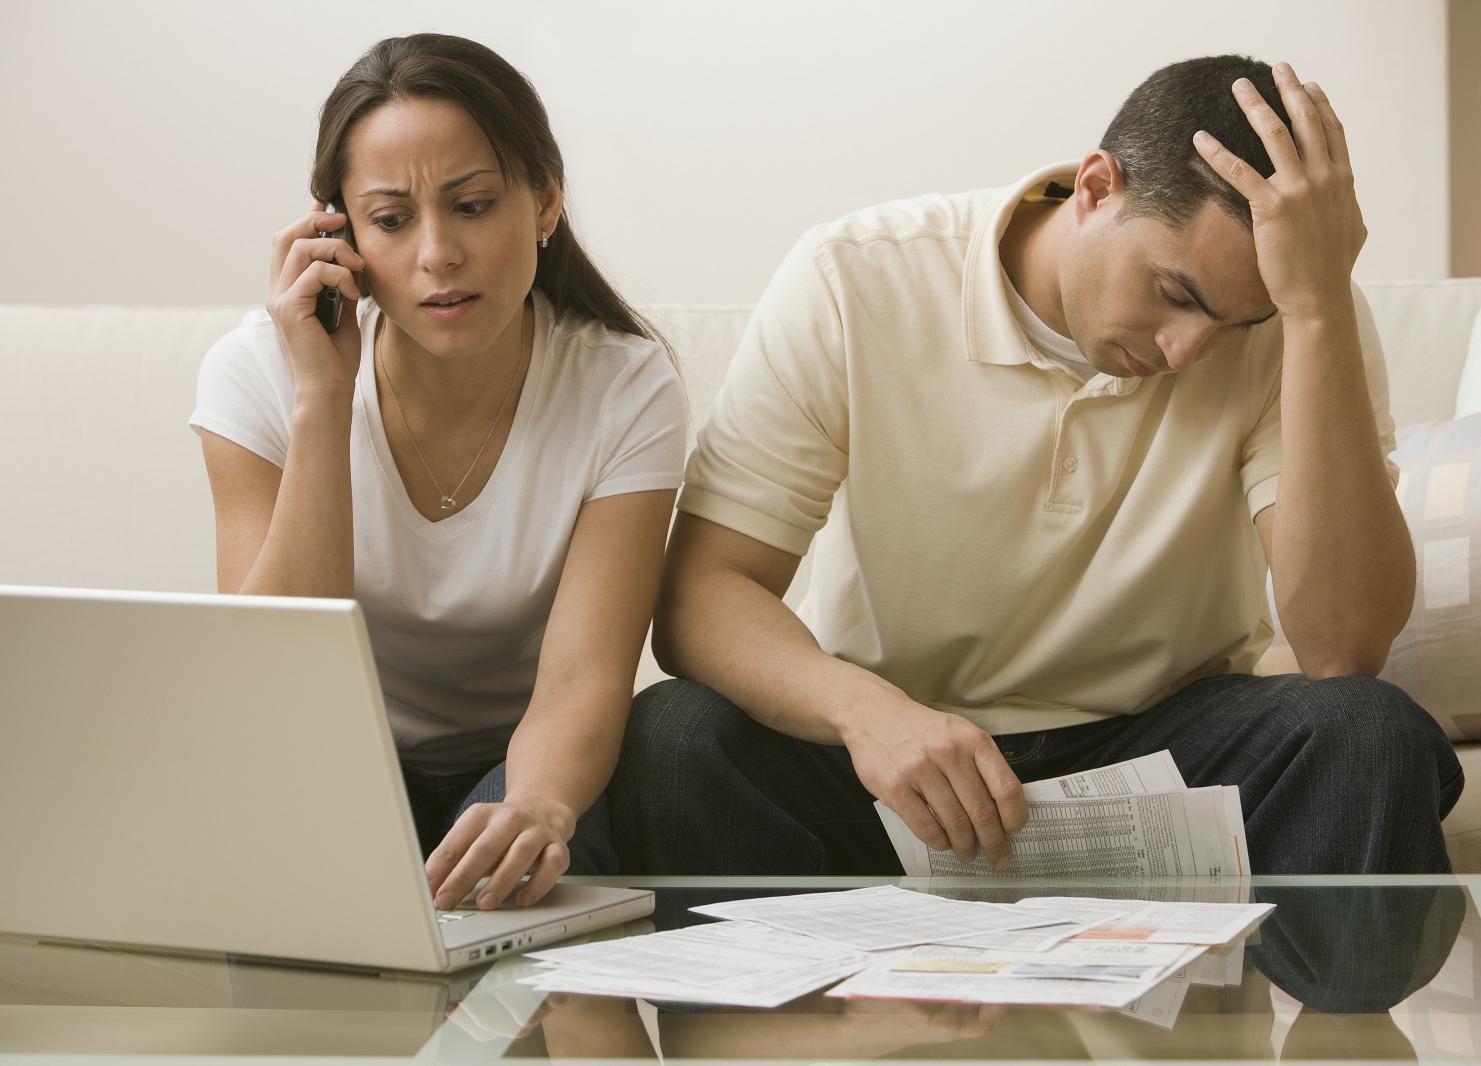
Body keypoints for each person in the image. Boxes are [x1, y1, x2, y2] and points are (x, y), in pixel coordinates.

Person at [610, 55, 1461, 875]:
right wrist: (869, 715)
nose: (1187, 351)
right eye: (1175, 294)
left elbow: (1344, 647)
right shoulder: (855, 279)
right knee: (675, 736)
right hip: (897, 755)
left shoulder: (1303, 319)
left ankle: (1346, 1034)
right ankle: (786, 1017)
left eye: (1238, 324)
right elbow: (701, 595)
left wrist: (1313, 312)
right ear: (1094, 188)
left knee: (1367, 731)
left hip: (1161, 744)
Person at [190, 33, 686, 909]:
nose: (436, 254)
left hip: (520, 760)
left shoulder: (624, 386)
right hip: (326, 762)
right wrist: (321, 398)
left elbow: (585, 677)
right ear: (336, 232)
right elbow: (270, 681)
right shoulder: (256, 373)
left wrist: (535, 806)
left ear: (544, 203)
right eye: (390, 220)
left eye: (473, 205)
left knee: (536, 859)